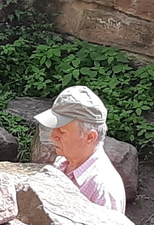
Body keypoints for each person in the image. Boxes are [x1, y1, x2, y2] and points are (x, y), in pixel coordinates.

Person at [34, 85, 126, 213]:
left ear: (90, 137)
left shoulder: (103, 190)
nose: (52, 137)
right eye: (54, 129)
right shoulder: (62, 163)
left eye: (62, 132)